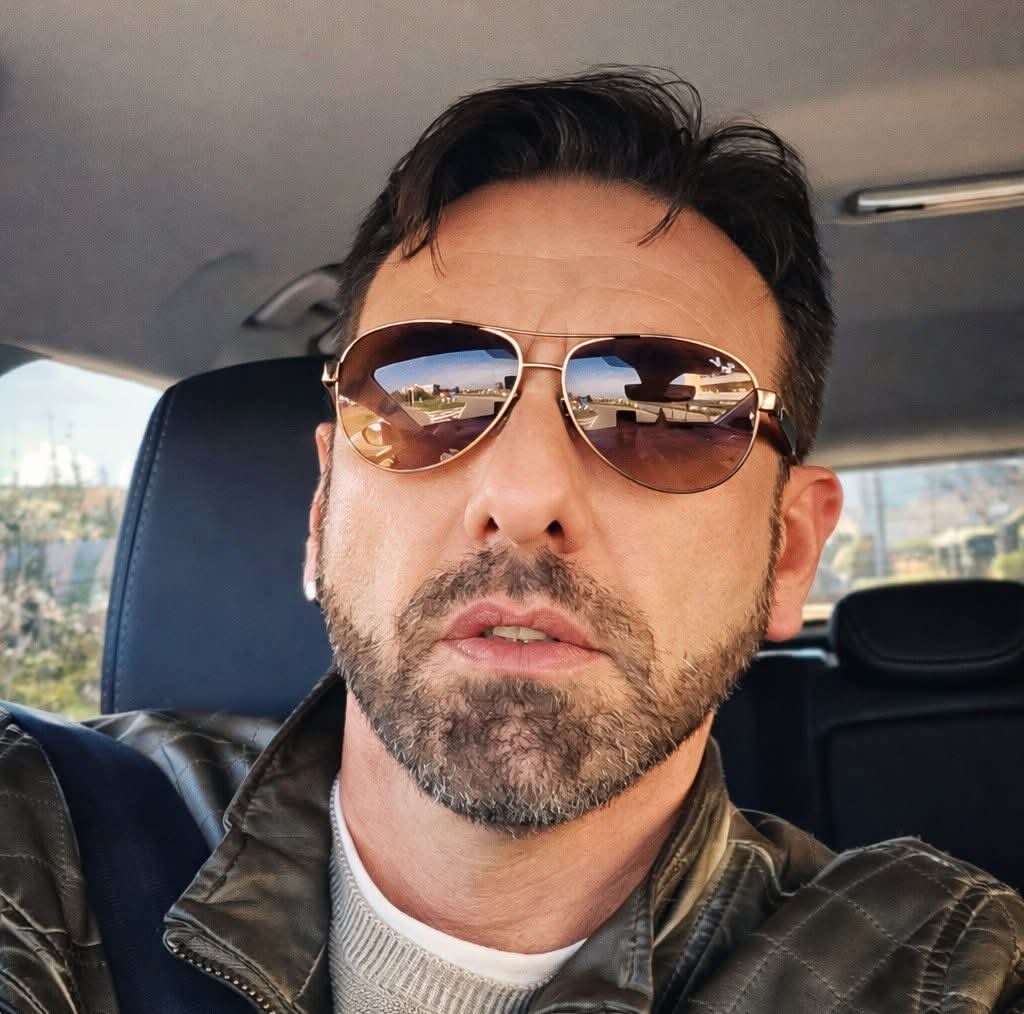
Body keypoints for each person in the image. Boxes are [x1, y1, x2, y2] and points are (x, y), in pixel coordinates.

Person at [2, 69, 1022, 1014]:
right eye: (427, 392)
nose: (524, 496)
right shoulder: (47, 835)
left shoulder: (942, 974)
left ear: (788, 552)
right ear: (322, 512)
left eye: (663, 412)